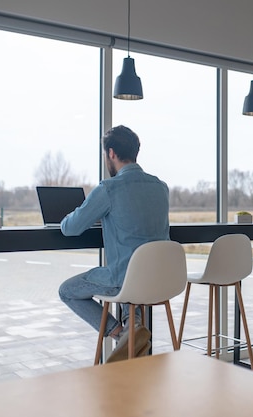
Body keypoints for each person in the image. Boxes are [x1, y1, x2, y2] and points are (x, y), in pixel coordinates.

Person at [58, 125, 170, 362]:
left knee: (67, 291)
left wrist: (95, 212)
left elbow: (71, 228)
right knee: (131, 290)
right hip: (160, 278)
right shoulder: (161, 187)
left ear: (110, 153)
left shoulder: (109, 188)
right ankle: (133, 328)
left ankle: (120, 334)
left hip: (124, 280)